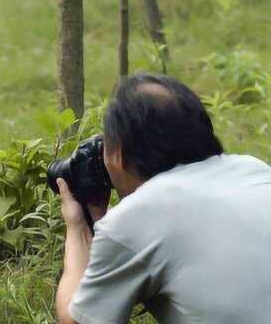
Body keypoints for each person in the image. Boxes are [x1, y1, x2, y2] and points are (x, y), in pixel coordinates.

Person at [54, 73, 271, 324]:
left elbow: (77, 321)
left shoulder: (134, 219)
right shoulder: (255, 170)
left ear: (118, 153)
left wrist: (77, 227)